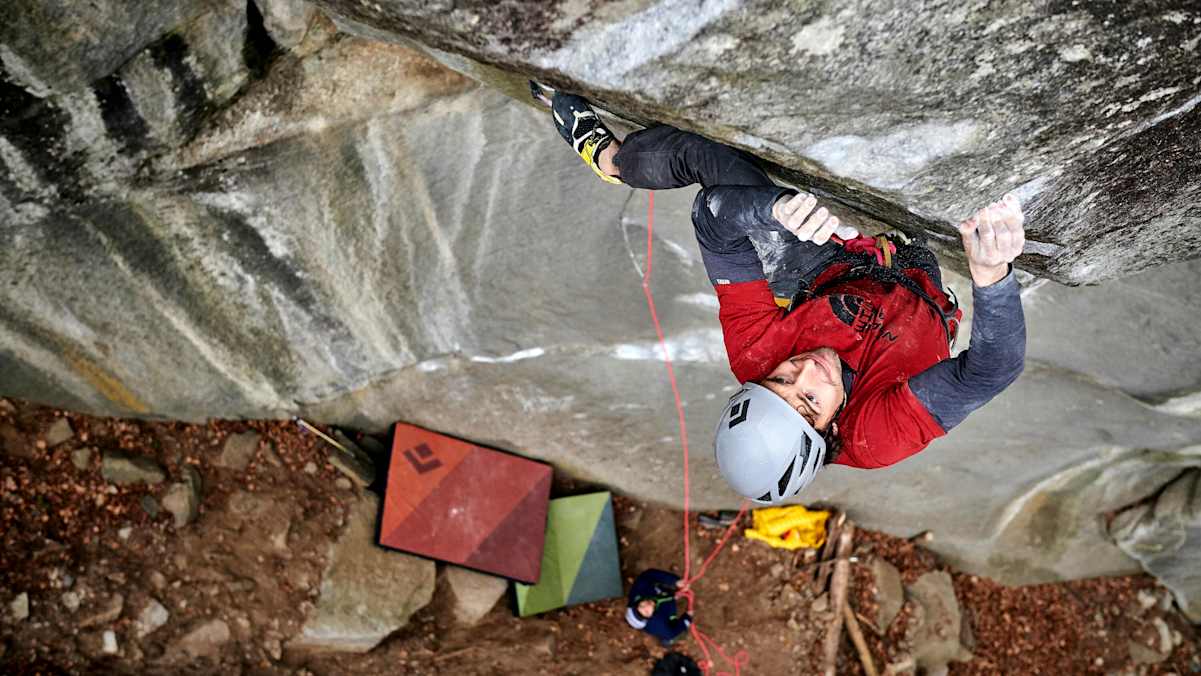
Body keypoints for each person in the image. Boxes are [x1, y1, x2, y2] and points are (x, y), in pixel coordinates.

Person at [540, 86, 1026, 504]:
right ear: (831, 431)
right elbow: (990, 370)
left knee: (706, 158)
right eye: (811, 401)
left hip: (830, 274)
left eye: (781, 378)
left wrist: (771, 211)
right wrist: (992, 274)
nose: (808, 370)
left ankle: (612, 160)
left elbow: (712, 224)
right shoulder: (876, 436)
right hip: (918, 287)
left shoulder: (754, 353)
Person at [625, 568, 692, 646]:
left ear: (637, 602)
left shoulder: (639, 590)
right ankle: (666, 642)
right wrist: (687, 618)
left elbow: (649, 574)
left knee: (665, 588)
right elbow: (671, 633)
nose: (648, 605)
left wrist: (675, 581)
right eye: (647, 612)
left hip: (660, 594)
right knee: (671, 636)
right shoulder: (657, 625)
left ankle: (670, 594)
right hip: (666, 613)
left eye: (641, 605)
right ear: (649, 617)